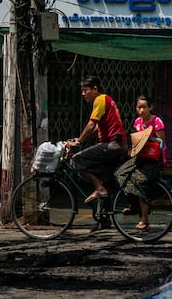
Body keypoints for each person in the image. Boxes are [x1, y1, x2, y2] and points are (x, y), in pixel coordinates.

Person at [66, 76, 126, 221]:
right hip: (118, 144)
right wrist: (79, 139)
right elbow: (96, 129)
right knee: (105, 178)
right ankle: (104, 219)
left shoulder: (100, 100)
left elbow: (91, 125)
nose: (83, 94)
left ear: (95, 89)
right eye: (81, 91)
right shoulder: (107, 100)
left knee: (77, 159)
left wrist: (79, 142)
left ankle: (99, 189)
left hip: (112, 144)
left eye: (85, 90)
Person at [115, 95, 166, 231]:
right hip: (140, 157)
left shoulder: (156, 121)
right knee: (120, 174)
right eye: (139, 107)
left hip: (154, 159)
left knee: (139, 181)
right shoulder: (137, 122)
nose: (142, 110)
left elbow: (161, 143)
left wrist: (149, 140)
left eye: (144, 107)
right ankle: (133, 204)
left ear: (151, 107)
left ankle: (144, 218)